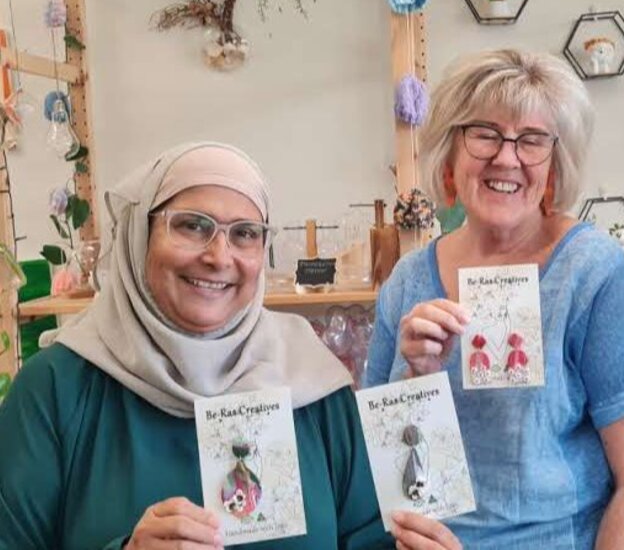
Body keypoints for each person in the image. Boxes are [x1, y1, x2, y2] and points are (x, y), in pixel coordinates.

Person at [0, 142, 461, 550]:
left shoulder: (311, 384)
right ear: (140, 235)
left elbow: (368, 538)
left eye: (244, 233)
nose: (218, 256)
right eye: (191, 226)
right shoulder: (58, 389)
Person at [365, 49, 624, 549]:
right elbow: (393, 471)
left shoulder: (591, 272)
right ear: (450, 151)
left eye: (531, 140)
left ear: (555, 163)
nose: (507, 157)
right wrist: (418, 378)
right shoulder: (408, 282)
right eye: (484, 133)